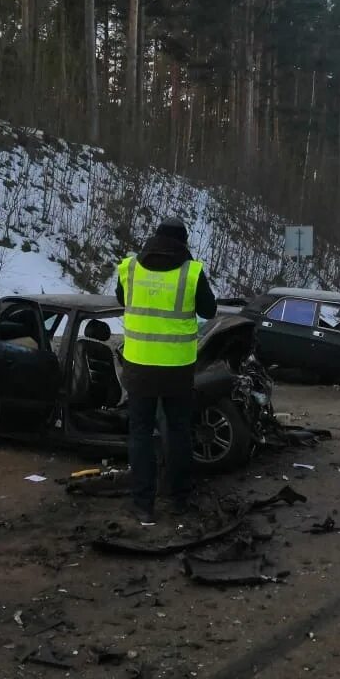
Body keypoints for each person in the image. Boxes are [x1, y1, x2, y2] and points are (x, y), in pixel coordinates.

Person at [116, 218, 216, 526]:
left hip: (139, 365)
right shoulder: (191, 272)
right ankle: (178, 500)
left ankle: (143, 505)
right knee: (178, 432)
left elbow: (121, 300)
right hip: (176, 368)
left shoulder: (130, 268)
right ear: (184, 242)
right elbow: (209, 311)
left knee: (141, 434)